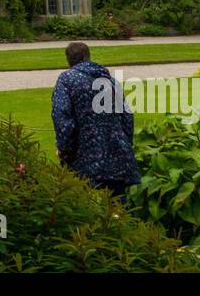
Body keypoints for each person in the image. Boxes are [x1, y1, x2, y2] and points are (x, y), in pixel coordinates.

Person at [50, 40, 141, 196]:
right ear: (88, 56)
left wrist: (64, 149)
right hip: (118, 154)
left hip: (85, 157)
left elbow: (63, 119)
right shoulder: (110, 80)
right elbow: (127, 117)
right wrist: (126, 143)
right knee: (118, 207)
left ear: (68, 60)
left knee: (87, 207)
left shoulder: (66, 80)